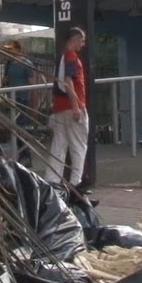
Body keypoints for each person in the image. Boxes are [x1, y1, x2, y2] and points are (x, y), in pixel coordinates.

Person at [48, 27, 88, 189]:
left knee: (59, 147)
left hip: (59, 107)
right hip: (73, 107)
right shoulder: (71, 56)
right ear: (75, 39)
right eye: (82, 41)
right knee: (78, 147)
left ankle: (52, 183)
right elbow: (68, 81)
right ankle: (75, 184)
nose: (83, 44)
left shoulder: (61, 57)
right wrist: (76, 107)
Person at [2, 40, 39, 165]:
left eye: (11, 49)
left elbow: (32, 83)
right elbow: (6, 80)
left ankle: (26, 155)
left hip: (23, 99)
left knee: (21, 127)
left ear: (18, 49)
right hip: (12, 100)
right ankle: (22, 154)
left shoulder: (26, 64)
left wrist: (34, 103)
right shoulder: (8, 64)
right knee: (14, 128)